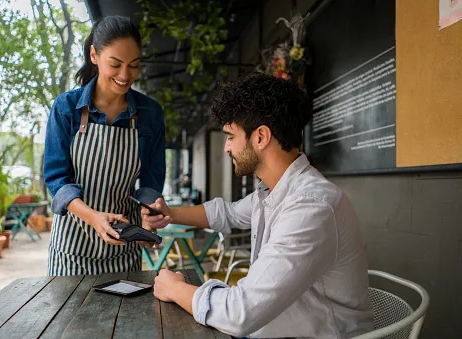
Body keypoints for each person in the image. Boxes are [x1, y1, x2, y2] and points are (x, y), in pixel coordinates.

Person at [143, 73, 374, 338]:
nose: (227, 148)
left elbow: (240, 313)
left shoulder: (311, 208)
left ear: (261, 137)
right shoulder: (274, 192)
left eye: (230, 136)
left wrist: (175, 289)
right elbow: (227, 214)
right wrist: (170, 213)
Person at [43, 16, 165, 276]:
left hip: (124, 249)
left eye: (134, 66)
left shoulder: (150, 114)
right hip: (72, 250)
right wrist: (93, 217)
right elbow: (56, 180)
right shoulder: (66, 108)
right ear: (94, 56)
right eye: (116, 64)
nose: (125, 75)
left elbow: (151, 182)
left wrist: (149, 219)